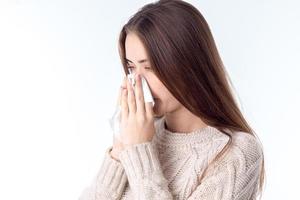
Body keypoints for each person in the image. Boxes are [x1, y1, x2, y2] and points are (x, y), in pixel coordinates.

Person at [79, 0, 265, 199]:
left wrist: (139, 152)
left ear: (188, 64)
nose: (137, 82)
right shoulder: (141, 134)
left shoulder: (237, 152)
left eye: (149, 67)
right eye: (131, 68)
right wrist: (118, 152)